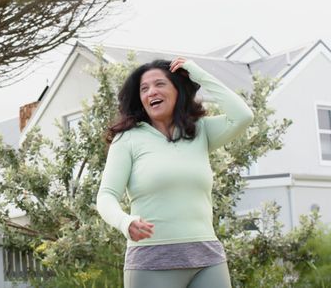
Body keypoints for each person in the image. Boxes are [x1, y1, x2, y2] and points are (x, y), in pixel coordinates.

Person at [97, 57, 253, 288]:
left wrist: (197, 74)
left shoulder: (200, 131)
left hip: (207, 256)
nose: (151, 92)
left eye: (160, 84)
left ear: (177, 90)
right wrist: (125, 222)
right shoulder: (128, 139)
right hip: (152, 259)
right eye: (144, 88)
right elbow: (106, 196)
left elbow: (243, 116)